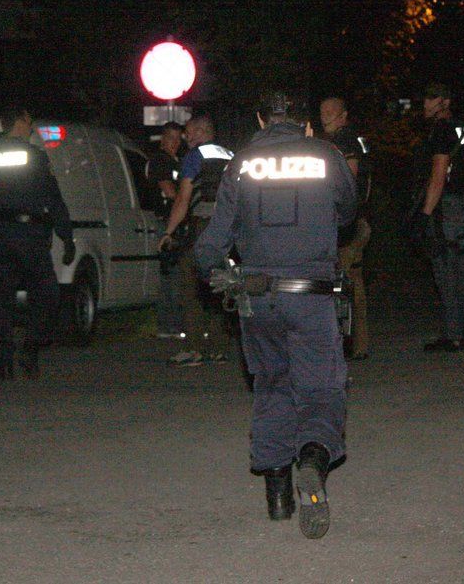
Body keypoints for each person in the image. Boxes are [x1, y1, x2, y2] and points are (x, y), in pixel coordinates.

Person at [194, 92, 358, 539]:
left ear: (261, 119)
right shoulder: (326, 155)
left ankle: (278, 498)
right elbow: (348, 213)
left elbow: (212, 242)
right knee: (320, 388)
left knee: (271, 386)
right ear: (306, 122)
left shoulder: (241, 164)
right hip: (311, 296)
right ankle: (312, 460)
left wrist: (214, 272)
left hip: (258, 298)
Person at [0, 108, 76, 379]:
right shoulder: (36, 157)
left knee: (2, 301)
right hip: (30, 237)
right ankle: (29, 350)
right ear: (18, 122)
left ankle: (5, 360)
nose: (31, 127)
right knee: (47, 296)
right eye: (29, 122)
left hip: (1, 237)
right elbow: (53, 199)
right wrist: (66, 237)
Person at [410, 82, 464, 352]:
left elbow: (439, 174)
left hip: (448, 205)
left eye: (432, 98)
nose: (425, 104)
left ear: (445, 102)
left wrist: (425, 212)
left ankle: (454, 334)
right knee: (463, 266)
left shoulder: (441, 129)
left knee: (445, 268)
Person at [157, 116, 234, 366]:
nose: (185, 138)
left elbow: (183, 199)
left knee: (190, 285)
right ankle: (220, 347)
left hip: (203, 227)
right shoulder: (231, 156)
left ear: (201, 132)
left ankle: (194, 349)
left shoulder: (195, 156)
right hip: (229, 229)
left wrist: (169, 231)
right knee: (220, 285)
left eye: (189, 133)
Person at [320, 96, 372, 361]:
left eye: (331, 112)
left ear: (343, 115)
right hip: (353, 220)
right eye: (323, 112)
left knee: (344, 281)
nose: (325, 116)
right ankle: (354, 344)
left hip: (347, 223)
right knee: (351, 279)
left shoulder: (345, 141)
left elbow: (348, 180)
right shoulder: (348, 140)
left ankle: (350, 344)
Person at [146, 122, 185, 339]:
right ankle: (169, 326)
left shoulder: (176, 161)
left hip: (174, 223)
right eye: (171, 138)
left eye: (179, 139)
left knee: (173, 275)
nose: (175, 143)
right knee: (170, 275)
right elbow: (170, 192)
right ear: (163, 138)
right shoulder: (161, 160)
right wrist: (185, 202)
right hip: (166, 222)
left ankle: (173, 325)